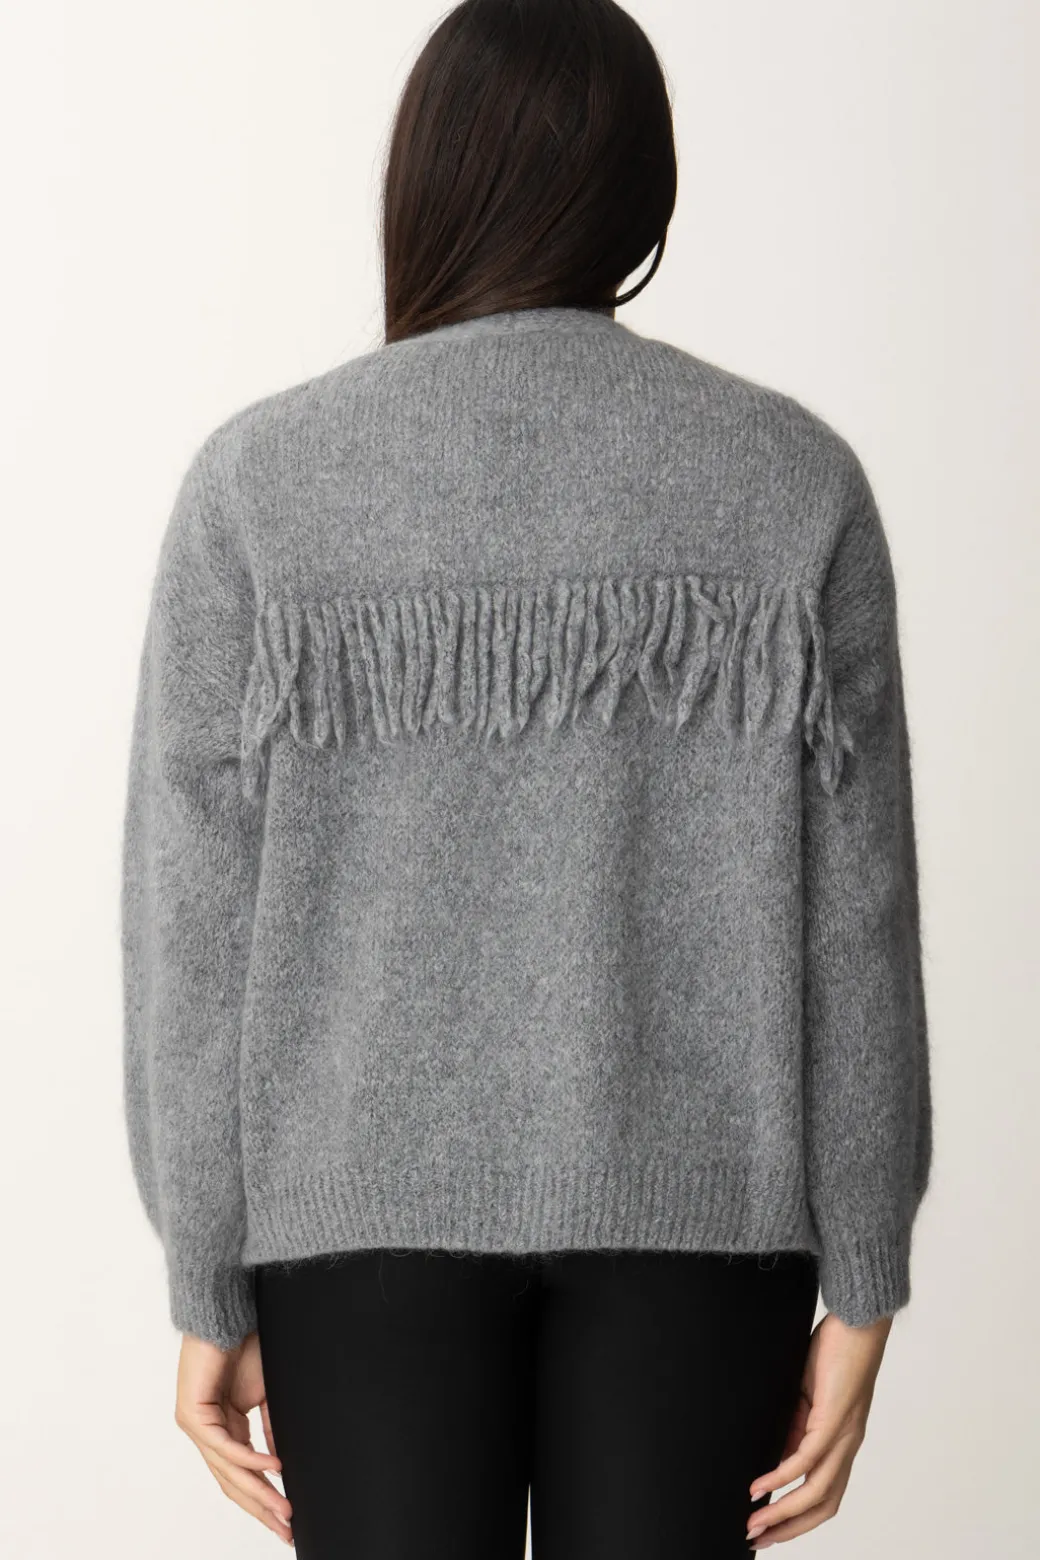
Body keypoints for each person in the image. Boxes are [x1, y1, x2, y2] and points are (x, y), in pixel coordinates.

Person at [120, 1, 932, 1555]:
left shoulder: (258, 488)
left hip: (356, 1218)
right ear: (646, 197)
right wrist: (865, 1274)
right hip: (706, 1218)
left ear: (422, 178)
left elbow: (196, 922)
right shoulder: (792, 482)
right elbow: (859, 914)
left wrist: (207, 1276)